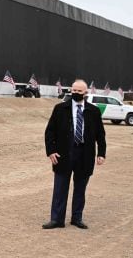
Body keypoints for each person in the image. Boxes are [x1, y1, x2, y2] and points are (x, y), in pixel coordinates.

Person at [43, 79, 106, 229]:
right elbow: (49, 132)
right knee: (60, 188)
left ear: (86, 93)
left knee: (80, 189)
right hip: (64, 153)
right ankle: (57, 220)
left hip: (85, 154)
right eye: (74, 90)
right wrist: (51, 151)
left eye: (79, 91)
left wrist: (101, 153)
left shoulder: (94, 111)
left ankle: (77, 218)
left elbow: (100, 134)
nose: (76, 93)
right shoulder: (60, 109)